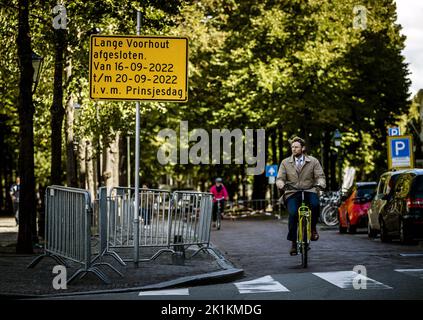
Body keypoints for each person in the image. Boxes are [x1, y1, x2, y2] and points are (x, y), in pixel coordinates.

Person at [276, 137, 326, 256]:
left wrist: (321, 184)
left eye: (296, 147)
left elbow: (320, 176)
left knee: (315, 205)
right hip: (292, 192)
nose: (294, 149)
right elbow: (280, 178)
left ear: (303, 148)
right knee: (293, 213)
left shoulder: (313, 161)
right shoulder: (285, 162)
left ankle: (313, 229)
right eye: (292, 147)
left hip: (309, 190)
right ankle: (293, 242)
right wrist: (282, 185)